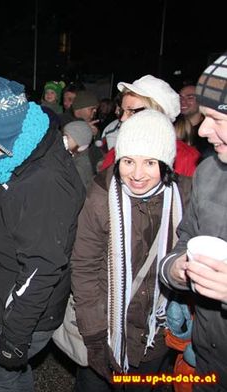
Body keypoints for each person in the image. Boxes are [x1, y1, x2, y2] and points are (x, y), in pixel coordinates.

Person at [0, 77, 85, 391]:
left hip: (14, 316)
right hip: (2, 300)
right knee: (11, 379)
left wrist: (14, 337)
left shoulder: (42, 180)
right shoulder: (19, 155)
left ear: (11, 129)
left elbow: (43, 266)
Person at [71, 109, 192, 391]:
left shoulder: (187, 196)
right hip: (106, 331)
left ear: (165, 162)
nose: (137, 175)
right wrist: (95, 338)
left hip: (155, 334)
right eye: (128, 161)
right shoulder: (100, 196)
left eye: (150, 162)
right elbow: (85, 267)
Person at [160, 51, 227, 391]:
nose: (202, 128)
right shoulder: (209, 172)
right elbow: (185, 238)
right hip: (206, 359)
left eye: (217, 118)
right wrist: (174, 270)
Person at [99, 75, 200, 177]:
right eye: (122, 111)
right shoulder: (115, 153)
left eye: (131, 111)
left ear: (156, 113)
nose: (122, 119)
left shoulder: (186, 158)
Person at [63, 120, 95, 188]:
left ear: (79, 141)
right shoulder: (73, 154)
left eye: (67, 137)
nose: (63, 139)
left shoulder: (80, 166)